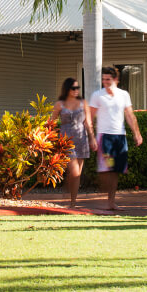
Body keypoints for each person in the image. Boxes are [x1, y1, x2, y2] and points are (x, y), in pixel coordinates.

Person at [88, 66, 142, 211]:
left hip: (120, 136)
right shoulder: (97, 96)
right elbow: (90, 116)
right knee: (107, 168)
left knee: (116, 170)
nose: (105, 82)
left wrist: (137, 133)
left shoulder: (124, 95)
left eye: (108, 79)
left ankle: (111, 202)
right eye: (103, 79)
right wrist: (92, 137)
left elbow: (130, 115)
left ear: (116, 80)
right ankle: (104, 193)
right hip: (105, 138)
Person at [52, 77, 96, 208]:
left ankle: (72, 202)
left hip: (81, 139)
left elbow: (88, 123)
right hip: (66, 141)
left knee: (77, 174)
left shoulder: (83, 103)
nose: (76, 90)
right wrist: (50, 137)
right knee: (74, 171)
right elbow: (52, 122)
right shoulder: (60, 104)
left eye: (78, 88)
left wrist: (92, 138)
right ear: (67, 89)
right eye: (74, 88)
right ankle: (70, 194)